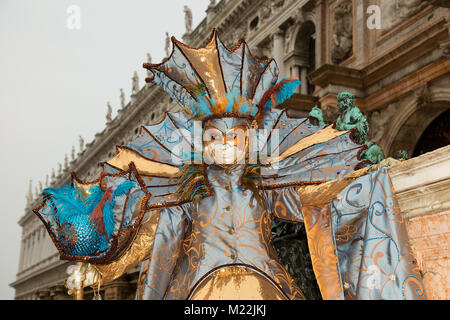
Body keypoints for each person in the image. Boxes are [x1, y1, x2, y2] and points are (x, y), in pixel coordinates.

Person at [35, 29, 425, 300]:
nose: (225, 147)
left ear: (250, 142)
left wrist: (361, 181)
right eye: (214, 139)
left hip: (265, 287)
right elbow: (161, 249)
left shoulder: (266, 189)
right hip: (199, 289)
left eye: (235, 138)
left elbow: (313, 201)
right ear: (201, 145)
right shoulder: (182, 200)